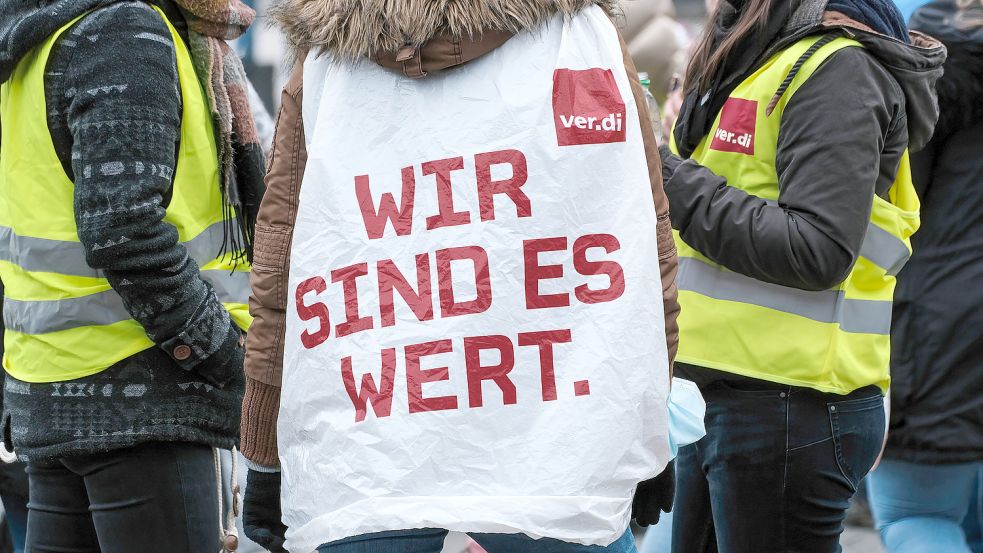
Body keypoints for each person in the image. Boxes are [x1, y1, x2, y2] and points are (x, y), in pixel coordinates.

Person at [239, 1, 681, 552]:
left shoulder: (327, 63)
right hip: (559, 450)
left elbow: (282, 267)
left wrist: (264, 454)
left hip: (369, 455)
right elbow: (641, 245)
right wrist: (645, 424)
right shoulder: (583, 37)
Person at [657, 0, 945, 549]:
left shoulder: (837, 69)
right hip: (723, 392)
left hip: (794, 402)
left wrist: (667, 174)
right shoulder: (755, 55)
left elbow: (814, 249)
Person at [0, 0, 264, 550]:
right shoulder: (125, 28)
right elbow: (124, 230)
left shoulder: (43, 32)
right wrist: (224, 358)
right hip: (145, 397)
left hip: (53, 392)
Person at [866, 1, 983, 551]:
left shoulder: (932, 53)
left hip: (945, 316)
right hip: (951, 310)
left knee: (918, 513)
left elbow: (889, 200)